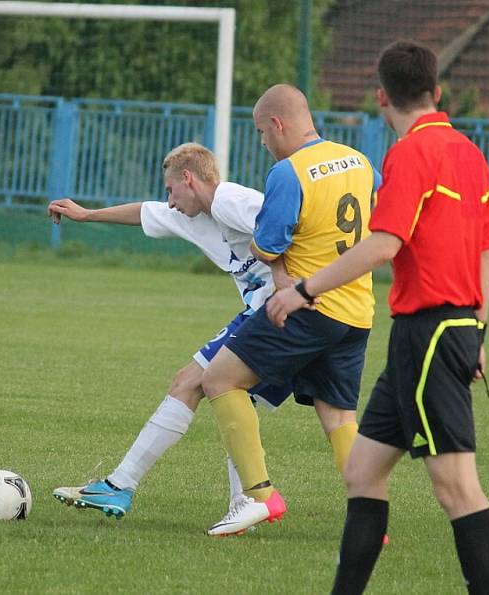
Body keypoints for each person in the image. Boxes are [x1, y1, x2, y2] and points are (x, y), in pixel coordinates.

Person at [266, 41, 489, 594]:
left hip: (429, 331)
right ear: (437, 91)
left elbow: (385, 243)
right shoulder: (468, 151)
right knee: (363, 472)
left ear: (381, 97)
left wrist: (303, 287)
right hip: (442, 330)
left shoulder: (411, 153)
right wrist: (478, 329)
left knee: (457, 488)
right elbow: (487, 249)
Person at [47, 142, 295, 522]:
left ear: (188, 178)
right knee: (233, 401)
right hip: (276, 314)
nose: (170, 201)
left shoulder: (231, 200)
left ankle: (121, 485)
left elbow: (286, 229)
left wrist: (293, 288)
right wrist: (87, 215)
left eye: (170, 189)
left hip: (280, 313)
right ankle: (246, 502)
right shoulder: (191, 215)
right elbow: (145, 212)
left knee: (190, 382)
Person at [200, 83, 379, 536]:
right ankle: (371, 518)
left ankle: (259, 497)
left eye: (262, 132)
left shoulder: (289, 171)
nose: (263, 142)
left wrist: (280, 261)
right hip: (356, 311)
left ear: (278, 124)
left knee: (219, 379)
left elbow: (265, 246)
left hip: (306, 307)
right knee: (338, 417)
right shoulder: (360, 162)